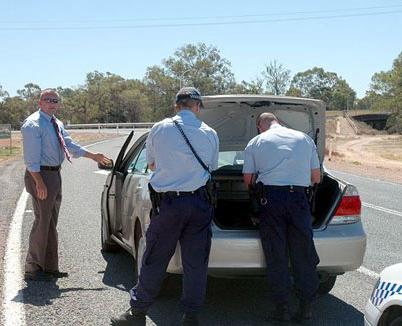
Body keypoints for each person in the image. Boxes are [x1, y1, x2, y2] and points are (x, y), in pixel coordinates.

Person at [111, 87, 219, 326]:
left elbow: (150, 165)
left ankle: (137, 314)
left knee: (155, 258)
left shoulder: (159, 128)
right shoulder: (210, 133)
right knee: (196, 263)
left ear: (176, 106)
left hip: (169, 204)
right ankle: (191, 317)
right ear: (197, 106)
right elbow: (211, 167)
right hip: (200, 204)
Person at [21, 88, 111, 281]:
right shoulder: (33, 124)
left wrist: (92, 155)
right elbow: (30, 160)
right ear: (40, 102)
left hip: (55, 174)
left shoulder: (57, 123)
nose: (52, 103)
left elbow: (69, 145)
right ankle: (33, 267)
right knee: (42, 220)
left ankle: (50, 266)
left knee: (51, 221)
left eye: (55, 100)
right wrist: (39, 183)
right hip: (40, 175)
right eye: (48, 100)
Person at [242, 112, 321, 323]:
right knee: (303, 254)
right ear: (278, 121)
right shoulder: (304, 139)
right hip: (299, 201)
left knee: (276, 254)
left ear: (260, 126)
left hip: (271, 201)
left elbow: (248, 180)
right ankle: (306, 308)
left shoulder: (256, 142)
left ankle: (282, 308)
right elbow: (316, 177)